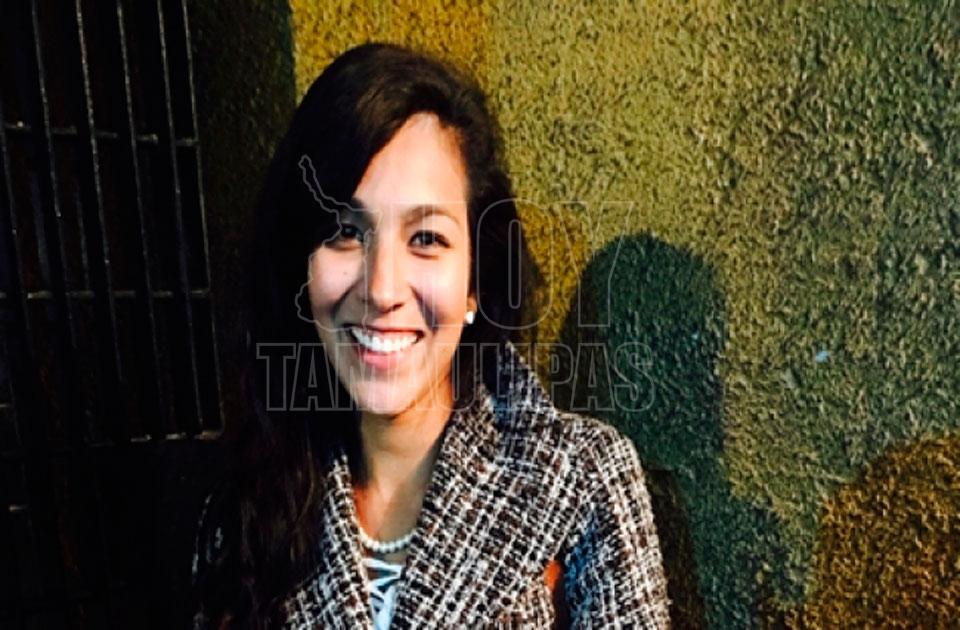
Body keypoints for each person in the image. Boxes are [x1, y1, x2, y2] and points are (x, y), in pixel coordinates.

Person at [191, 42, 669, 628]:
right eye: (344, 231)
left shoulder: (582, 481)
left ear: (474, 282)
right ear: (301, 268)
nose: (382, 289)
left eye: (426, 239)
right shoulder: (240, 514)